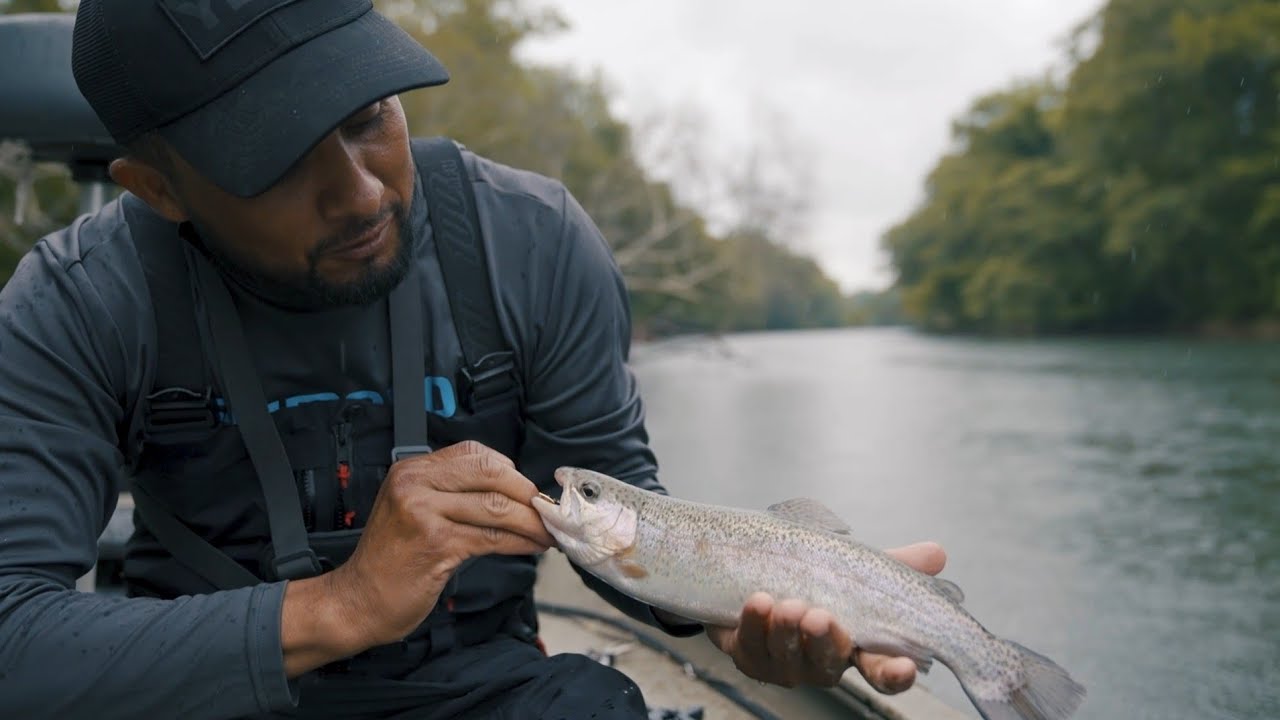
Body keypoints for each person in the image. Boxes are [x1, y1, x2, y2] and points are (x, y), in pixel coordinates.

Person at [0, 1, 946, 718]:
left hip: (475, 684)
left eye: (370, 113)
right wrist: (342, 605)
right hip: (207, 694)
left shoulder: (528, 243)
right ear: (158, 189)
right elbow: (14, 638)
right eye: (280, 160)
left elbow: (626, 517)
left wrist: (735, 610)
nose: (363, 192)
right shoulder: (77, 302)